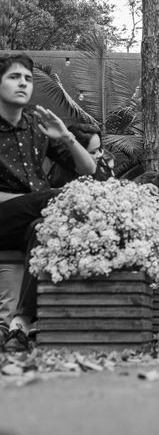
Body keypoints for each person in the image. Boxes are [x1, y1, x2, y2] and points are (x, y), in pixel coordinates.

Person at [0, 54, 97, 351]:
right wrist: (37, 199)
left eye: (28, 79)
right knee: (60, 197)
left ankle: (19, 325)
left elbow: (89, 169)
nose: (23, 83)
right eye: (14, 77)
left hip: (33, 216)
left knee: (44, 226)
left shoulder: (36, 125)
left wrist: (67, 136)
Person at [47, 123, 114, 187]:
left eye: (100, 149)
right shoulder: (59, 180)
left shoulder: (104, 165)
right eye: (93, 152)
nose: (99, 155)